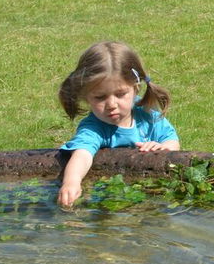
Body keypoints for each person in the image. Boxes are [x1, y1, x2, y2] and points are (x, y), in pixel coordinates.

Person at [56, 41, 180, 208]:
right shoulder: (94, 128)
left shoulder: (147, 116)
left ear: (135, 88)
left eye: (120, 94)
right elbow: (82, 155)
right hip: (109, 200)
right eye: (100, 97)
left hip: (150, 193)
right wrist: (71, 182)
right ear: (86, 97)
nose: (111, 104)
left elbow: (172, 140)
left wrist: (164, 148)